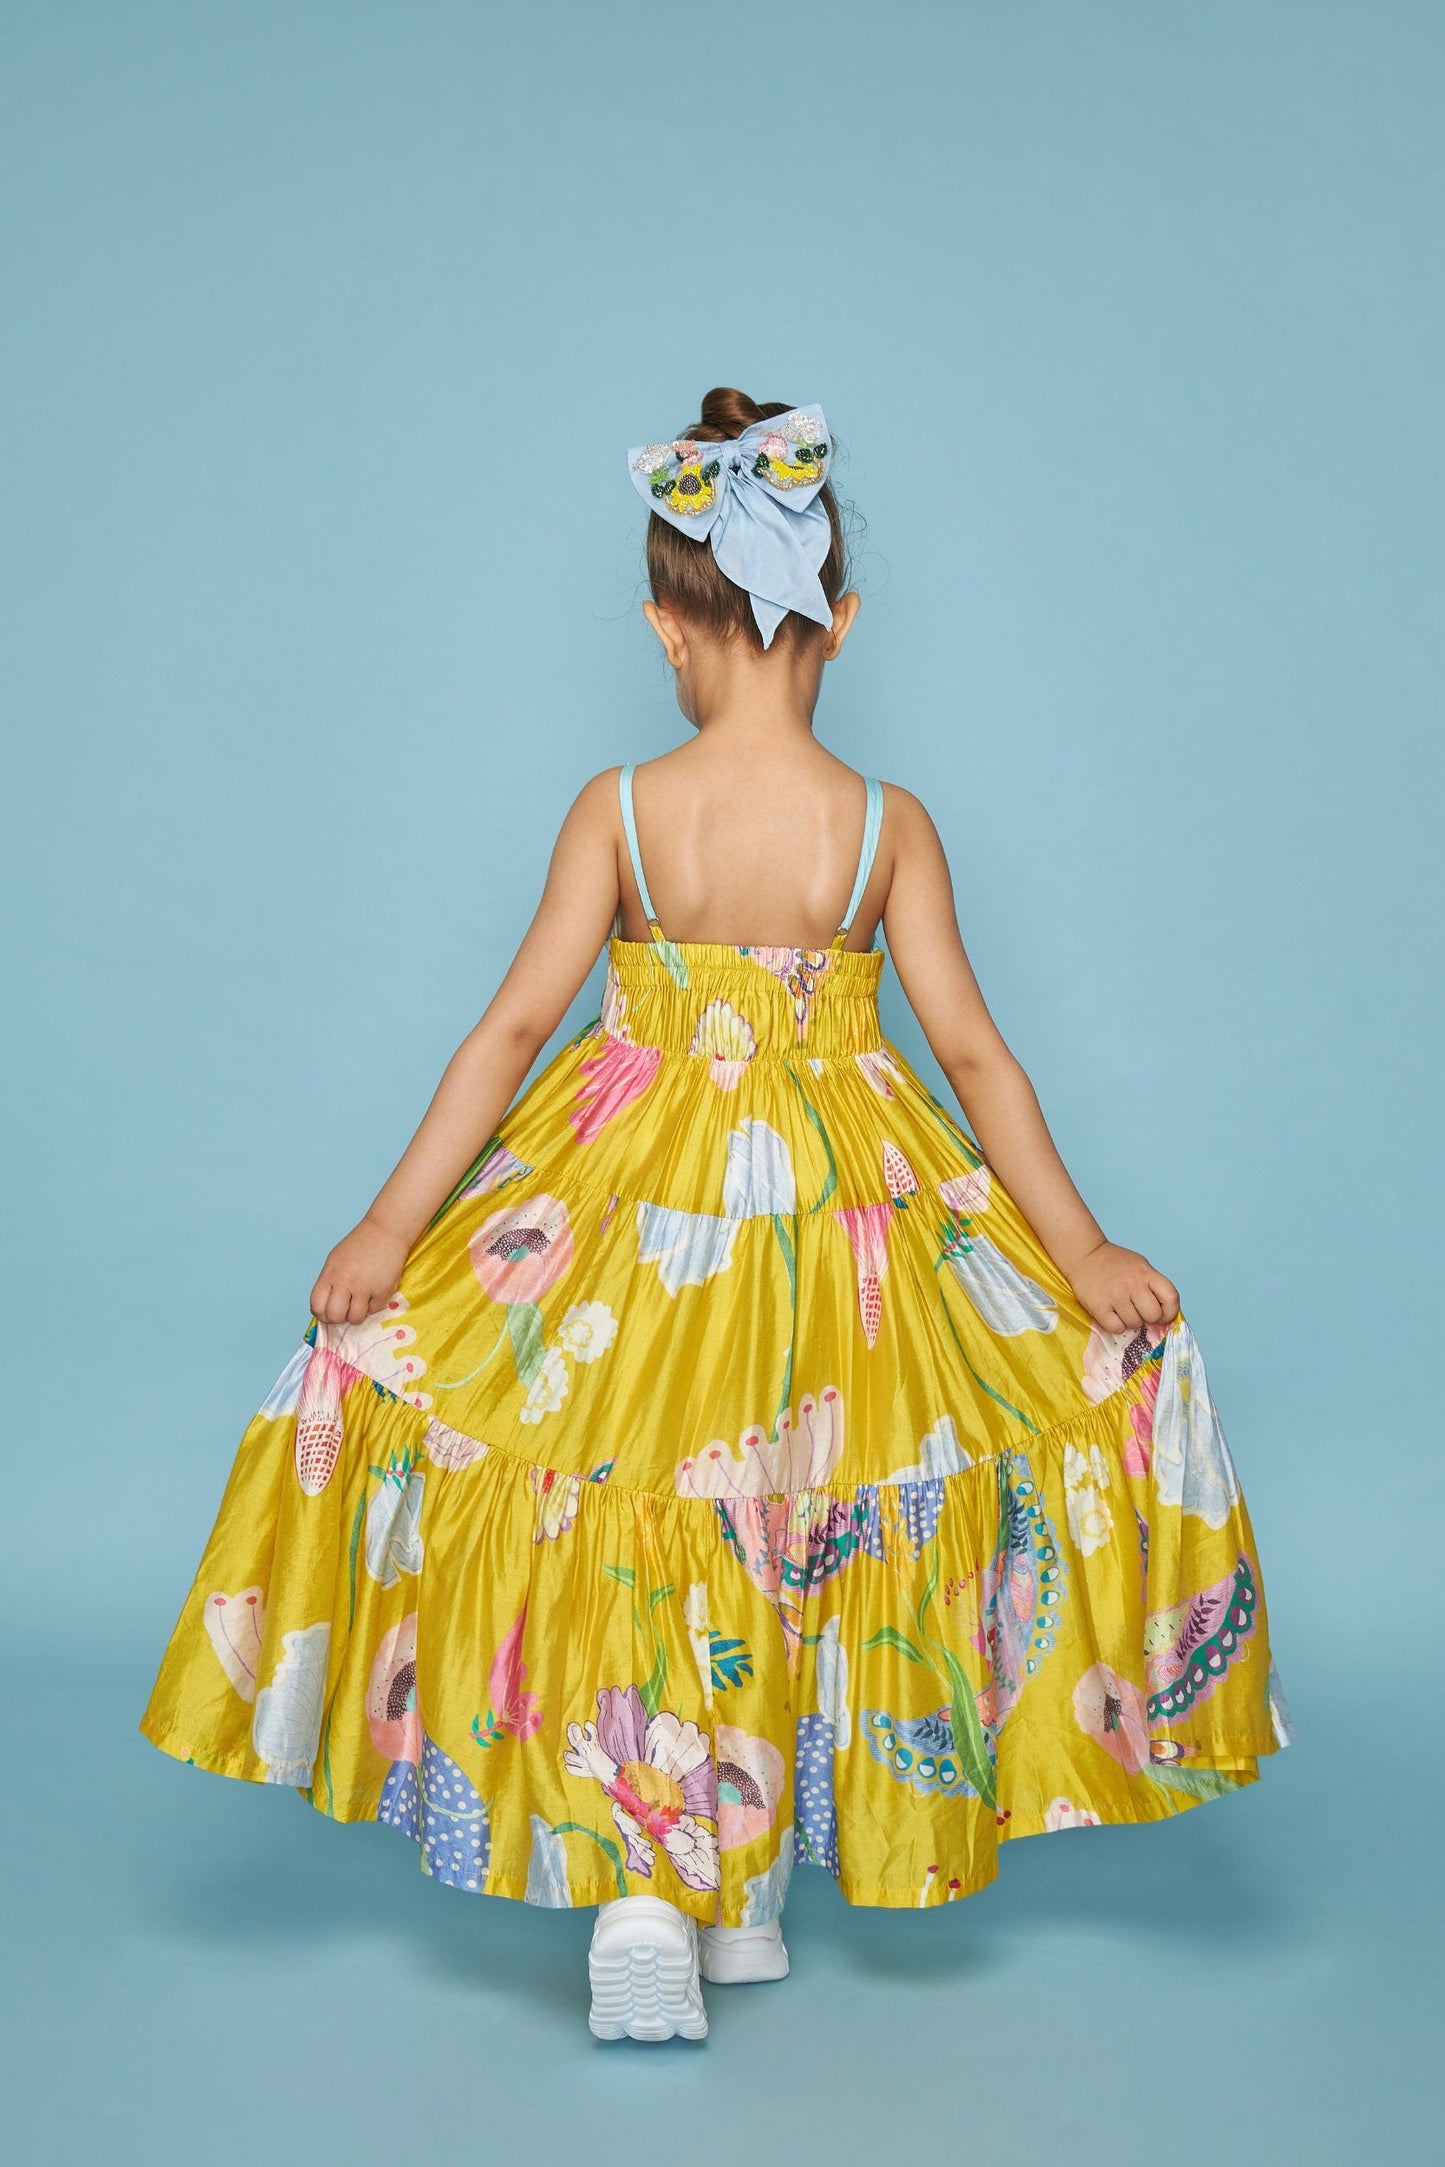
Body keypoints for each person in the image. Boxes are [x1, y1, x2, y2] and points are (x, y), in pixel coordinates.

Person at [141, 387, 1292, 2044]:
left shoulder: (619, 806)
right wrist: (1085, 1251)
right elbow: (975, 1058)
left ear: (662, 629)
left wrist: (389, 1230)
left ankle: (684, 1887)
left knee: (627, 1502)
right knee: (789, 1507)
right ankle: (691, 1892)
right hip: (845, 1215)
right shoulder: (885, 826)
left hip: (627, 1204)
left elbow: (509, 1033)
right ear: (843, 619)